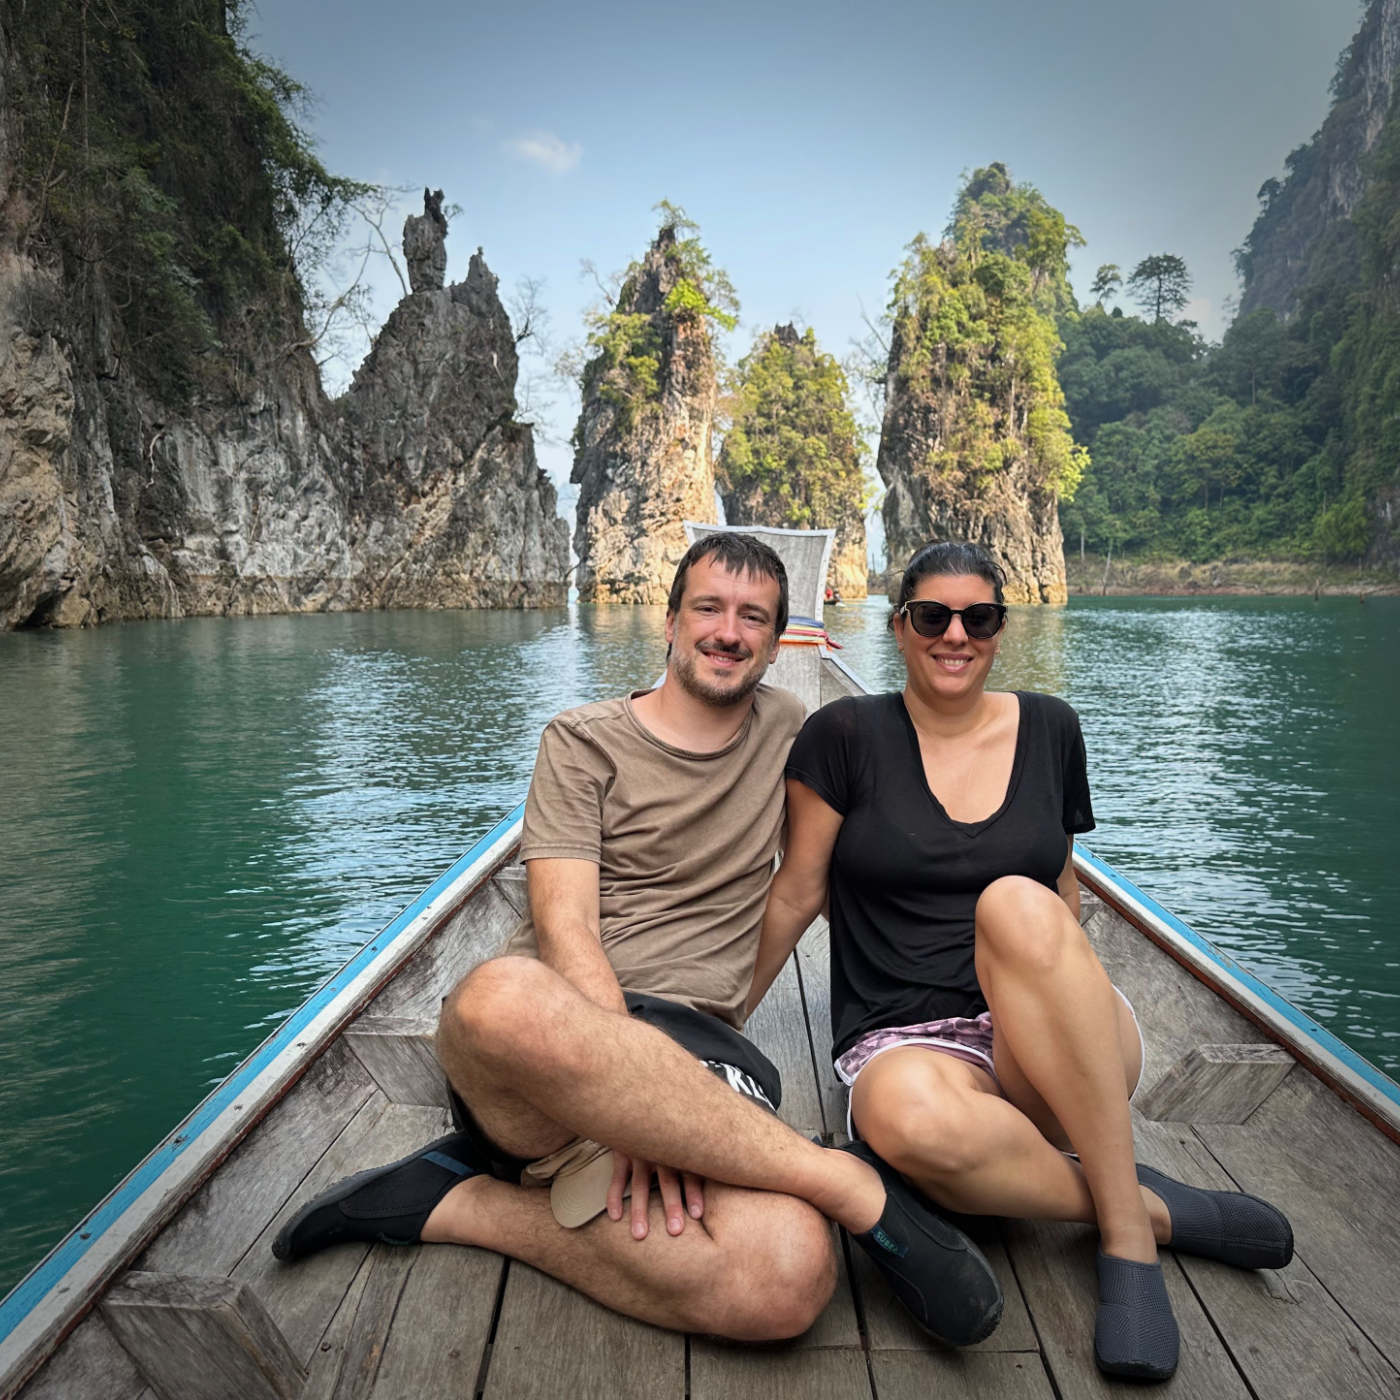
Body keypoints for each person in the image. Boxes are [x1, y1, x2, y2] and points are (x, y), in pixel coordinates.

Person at [272, 532, 1002, 1347]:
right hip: (563, 1037)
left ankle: (464, 1204)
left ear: (775, 642)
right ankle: (848, 1184)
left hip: (702, 1057)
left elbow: (849, 869)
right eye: (709, 608)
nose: (728, 631)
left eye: (753, 617)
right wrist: (635, 1106)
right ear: (669, 620)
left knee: (791, 1279)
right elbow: (566, 926)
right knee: (493, 997)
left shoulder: (792, 733)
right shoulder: (581, 742)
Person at [747, 539, 1295, 1381]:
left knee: (1017, 901)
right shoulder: (844, 735)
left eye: (979, 617)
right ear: (900, 628)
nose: (955, 635)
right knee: (909, 1128)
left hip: (1042, 1035)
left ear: (1000, 631)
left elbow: (1062, 899)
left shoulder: (1050, 727)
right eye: (933, 616)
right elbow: (795, 891)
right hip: (911, 1047)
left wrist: (1064, 1017)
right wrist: (725, 1018)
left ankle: (1126, 1250)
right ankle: (1144, 1203)